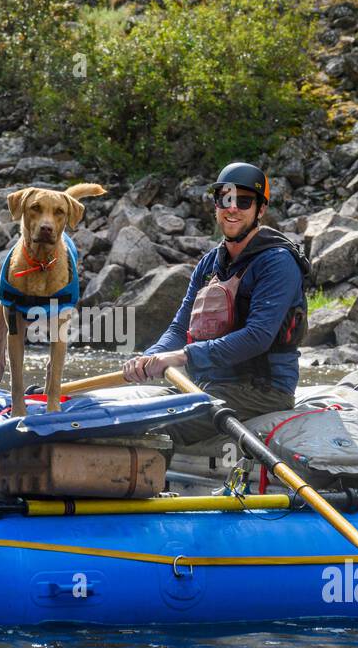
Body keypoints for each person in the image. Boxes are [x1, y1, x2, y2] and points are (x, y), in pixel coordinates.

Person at [122, 162, 309, 450]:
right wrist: (151, 357)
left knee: (156, 427)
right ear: (216, 206)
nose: (233, 208)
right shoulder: (210, 262)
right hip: (207, 386)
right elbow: (180, 327)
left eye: (244, 201)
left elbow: (258, 336)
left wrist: (181, 357)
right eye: (225, 199)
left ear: (260, 210)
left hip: (263, 391)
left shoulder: (278, 262)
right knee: (124, 417)